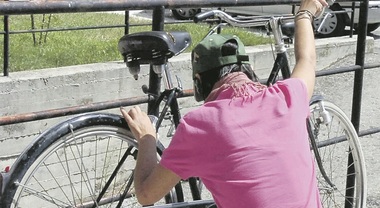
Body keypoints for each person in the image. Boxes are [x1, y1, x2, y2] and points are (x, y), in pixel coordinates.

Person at [120, 0, 328, 206]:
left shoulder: (200, 125)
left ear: (199, 83)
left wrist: (147, 137)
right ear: (248, 71)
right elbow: (307, 60)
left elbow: (146, 195)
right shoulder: (288, 97)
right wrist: (304, 14)